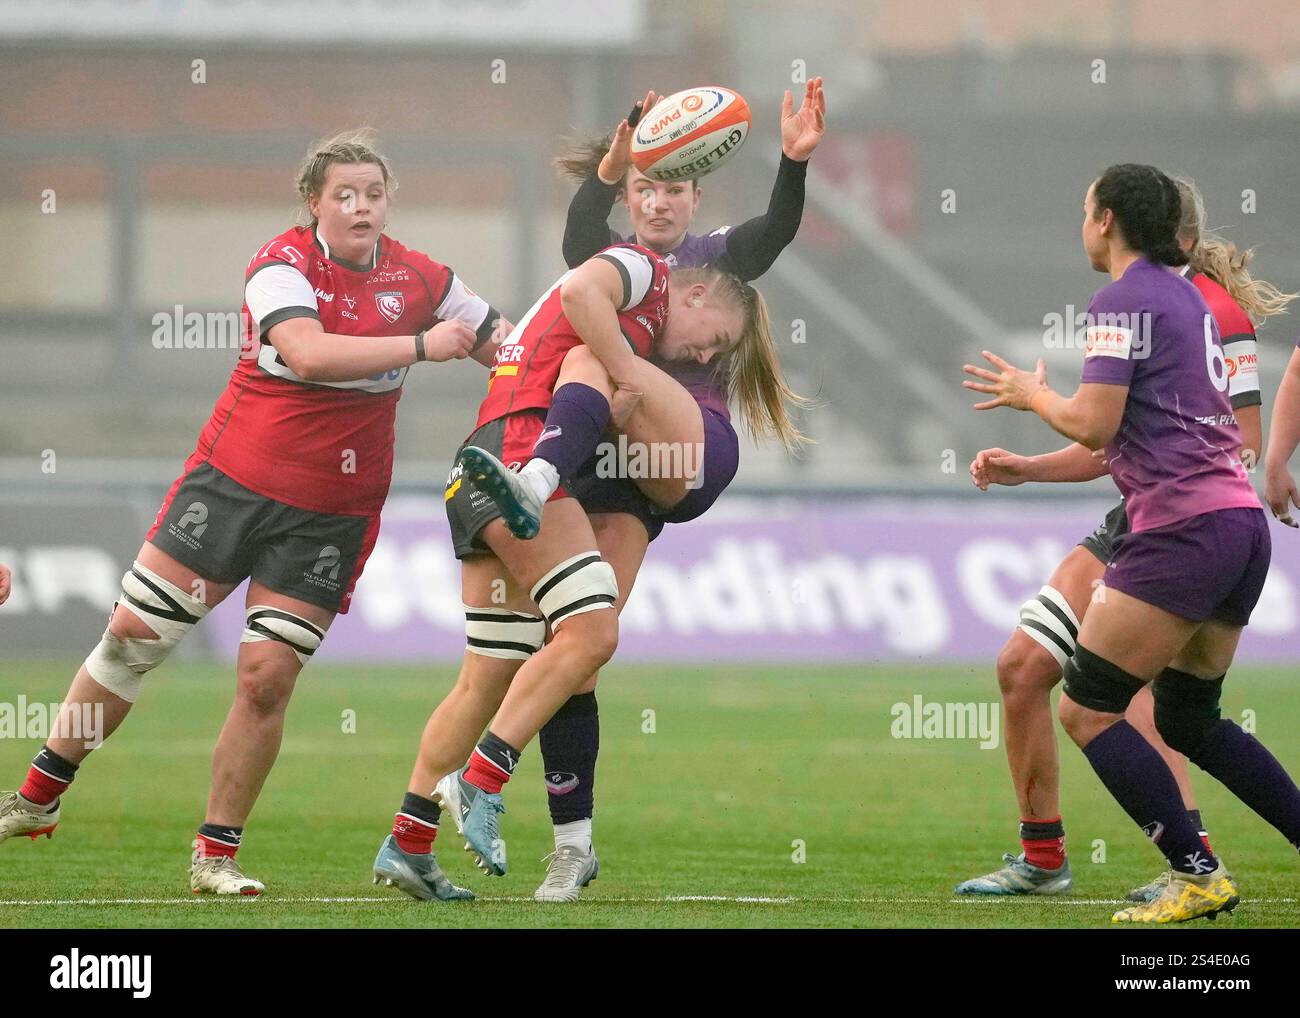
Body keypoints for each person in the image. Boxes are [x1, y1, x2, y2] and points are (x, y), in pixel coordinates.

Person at [0, 130, 505, 899]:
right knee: (134, 640)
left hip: (330, 515)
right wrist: (423, 345)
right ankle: (38, 796)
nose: (360, 205)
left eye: (372, 192)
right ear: (314, 203)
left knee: (266, 679)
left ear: (387, 201)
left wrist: (565, 375)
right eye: (344, 194)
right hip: (231, 485)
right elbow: (305, 353)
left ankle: (215, 856)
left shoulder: (425, 278)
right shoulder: (282, 264)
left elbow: (507, 346)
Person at [372, 243, 804, 900]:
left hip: (476, 466)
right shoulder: (641, 275)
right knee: (591, 637)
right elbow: (582, 292)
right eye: (713, 338)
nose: (708, 356)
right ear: (693, 295)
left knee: (484, 680)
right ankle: (483, 779)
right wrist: (625, 376)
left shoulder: (626, 306)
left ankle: (409, 841)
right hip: (523, 461)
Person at [499, 79, 825, 901]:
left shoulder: (713, 258)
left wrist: (792, 161)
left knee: (591, 360)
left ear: (695, 193)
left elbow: (776, 231)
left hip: (674, 460)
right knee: (578, 651)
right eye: (647, 187)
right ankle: (573, 845)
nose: (660, 202)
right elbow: (580, 238)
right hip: (603, 462)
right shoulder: (621, 259)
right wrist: (610, 165)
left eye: (673, 187)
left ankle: (534, 472)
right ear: (634, 193)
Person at [964, 163, 1300, 923]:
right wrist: (1032, 469)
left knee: (1085, 708)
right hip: (1238, 530)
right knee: (1189, 721)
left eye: (1086, 209)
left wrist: (1031, 395)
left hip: (1180, 530)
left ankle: (1197, 873)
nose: (1082, 223)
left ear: (1107, 219)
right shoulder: (1186, 299)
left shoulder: (1121, 299)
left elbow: (1094, 423)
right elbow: (1141, 435)